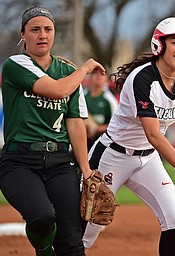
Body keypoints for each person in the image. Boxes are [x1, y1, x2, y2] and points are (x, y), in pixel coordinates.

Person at [82, 17, 175, 255]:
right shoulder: (142, 78)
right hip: (112, 155)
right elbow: (153, 134)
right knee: (87, 231)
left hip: (148, 160)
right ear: (159, 45)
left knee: (174, 218)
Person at [0, 6, 105, 256]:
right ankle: (44, 248)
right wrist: (85, 68)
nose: (42, 35)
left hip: (61, 162)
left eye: (48, 29)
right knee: (42, 217)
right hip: (19, 161)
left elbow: (75, 124)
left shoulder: (67, 73)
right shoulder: (15, 64)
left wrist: (87, 170)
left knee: (71, 241)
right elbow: (57, 90)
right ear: (23, 34)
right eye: (34, 29)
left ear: (54, 33)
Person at [84, 71, 118, 150]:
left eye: (102, 74)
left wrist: (96, 128)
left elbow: (116, 124)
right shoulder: (83, 95)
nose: (98, 77)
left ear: (106, 79)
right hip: (82, 139)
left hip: (101, 140)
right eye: (95, 74)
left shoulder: (109, 99)